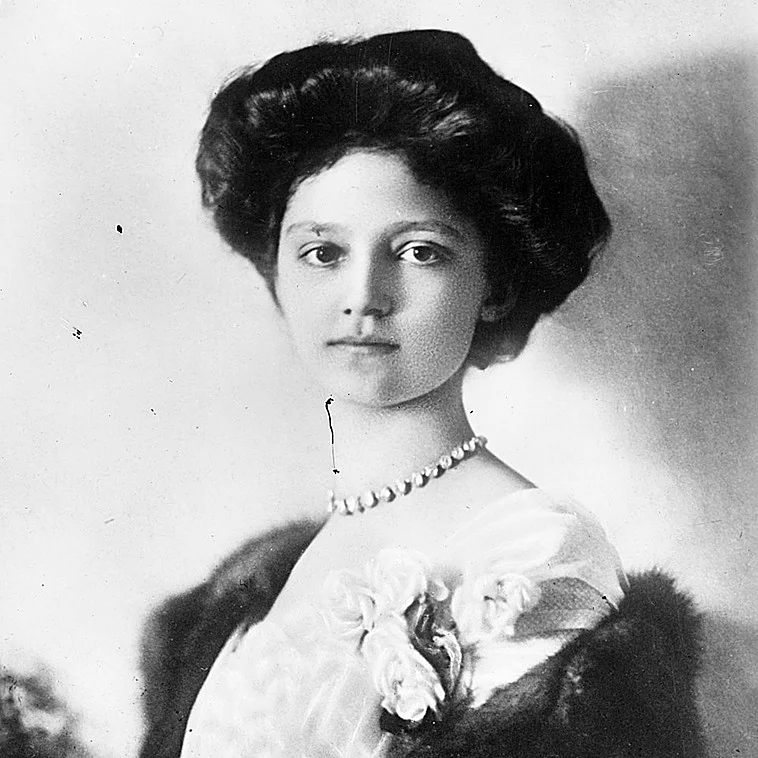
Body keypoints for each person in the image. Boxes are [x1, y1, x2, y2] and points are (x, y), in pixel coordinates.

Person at [138, 30, 703, 758]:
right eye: (322, 252)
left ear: (494, 286)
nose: (363, 297)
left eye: (418, 252)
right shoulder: (261, 578)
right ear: (277, 272)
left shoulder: (532, 551)